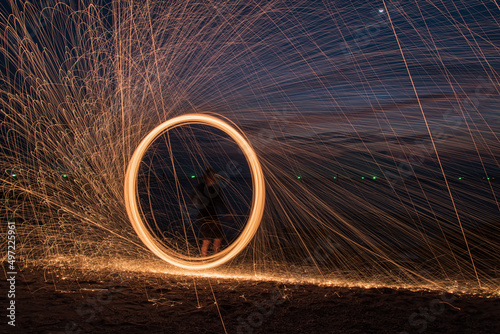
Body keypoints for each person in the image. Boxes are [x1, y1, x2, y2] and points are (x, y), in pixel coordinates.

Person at [192, 167, 232, 257]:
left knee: (218, 238)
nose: (212, 178)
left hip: (213, 216)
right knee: (207, 240)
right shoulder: (201, 187)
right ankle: (204, 260)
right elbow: (193, 200)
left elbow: (220, 202)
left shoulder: (215, 188)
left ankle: (215, 257)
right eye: (211, 177)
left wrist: (227, 212)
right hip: (204, 217)